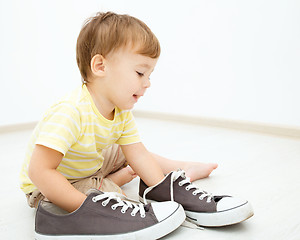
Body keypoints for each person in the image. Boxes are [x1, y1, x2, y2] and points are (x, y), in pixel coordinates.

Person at [20, 12, 253, 239]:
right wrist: (88, 208)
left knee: (127, 151)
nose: (148, 83)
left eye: (150, 75)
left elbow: (138, 154)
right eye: (140, 72)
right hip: (49, 184)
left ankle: (178, 169)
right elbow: (40, 171)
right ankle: (112, 181)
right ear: (100, 66)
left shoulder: (120, 112)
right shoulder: (69, 111)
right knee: (109, 194)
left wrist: (161, 187)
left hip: (89, 161)